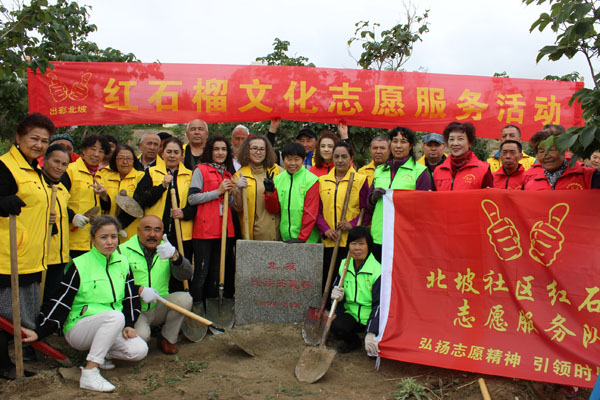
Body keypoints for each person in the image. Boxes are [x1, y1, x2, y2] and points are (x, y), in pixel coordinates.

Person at [22, 216, 148, 392]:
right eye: (103, 237)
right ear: (93, 239)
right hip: (80, 328)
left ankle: (100, 354)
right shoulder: (80, 265)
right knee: (115, 317)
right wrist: (39, 331)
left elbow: (130, 298)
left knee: (139, 350)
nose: (110, 242)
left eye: (113, 236)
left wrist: (128, 324)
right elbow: (61, 300)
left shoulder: (122, 263)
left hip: (111, 325)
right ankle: (90, 372)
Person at [0, 113, 55, 377]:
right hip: (8, 254)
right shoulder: (5, 166)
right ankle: (4, 365)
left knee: (22, 312)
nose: (39, 145)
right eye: (34, 138)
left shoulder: (35, 169)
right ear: (18, 137)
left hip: (32, 255)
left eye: (45, 141)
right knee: (5, 315)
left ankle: (19, 358)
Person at [120, 216, 193, 355]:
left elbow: (186, 274)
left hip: (160, 305)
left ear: (162, 233)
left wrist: (176, 257)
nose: (152, 234)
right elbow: (114, 285)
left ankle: (167, 338)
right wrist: (138, 290)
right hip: (136, 310)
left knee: (185, 299)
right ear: (138, 231)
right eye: (147, 229)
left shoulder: (166, 249)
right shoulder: (123, 251)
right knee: (141, 338)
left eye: (157, 230)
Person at [138, 137, 195, 291]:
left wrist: (184, 213)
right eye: (168, 152)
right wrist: (162, 186)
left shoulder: (190, 175)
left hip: (182, 233)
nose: (172, 155)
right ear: (161, 154)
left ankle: (179, 300)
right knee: (157, 269)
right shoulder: (151, 172)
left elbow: (195, 205)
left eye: (176, 152)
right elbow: (141, 199)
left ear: (181, 155)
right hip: (156, 232)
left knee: (178, 267)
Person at [369, 127, 431, 261]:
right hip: (379, 235)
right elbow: (368, 204)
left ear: (411, 146)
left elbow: (424, 208)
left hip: (404, 237)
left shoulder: (420, 172)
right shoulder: (379, 170)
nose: (398, 146)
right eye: (394, 141)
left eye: (403, 141)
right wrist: (373, 198)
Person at [188, 136, 236, 303]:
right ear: (210, 151)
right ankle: (196, 307)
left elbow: (229, 203)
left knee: (217, 272)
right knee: (202, 272)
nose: (220, 152)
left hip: (224, 229)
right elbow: (192, 198)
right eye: (217, 149)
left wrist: (233, 192)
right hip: (204, 230)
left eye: (224, 149)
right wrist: (218, 191)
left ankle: (212, 307)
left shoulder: (228, 173)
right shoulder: (200, 170)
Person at [317, 142, 370, 290]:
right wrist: (325, 229)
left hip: (350, 241)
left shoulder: (360, 180)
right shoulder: (322, 181)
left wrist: (352, 224)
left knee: (346, 281)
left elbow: (366, 210)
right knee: (328, 278)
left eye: (344, 157)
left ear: (351, 158)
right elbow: (318, 211)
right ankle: (328, 310)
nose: (340, 160)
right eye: (337, 157)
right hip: (329, 240)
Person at [329, 226, 381, 355]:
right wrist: (338, 296)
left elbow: (379, 304)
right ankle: (354, 342)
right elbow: (337, 288)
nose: (357, 248)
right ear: (348, 246)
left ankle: (372, 337)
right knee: (337, 327)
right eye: (353, 244)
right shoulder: (344, 266)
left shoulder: (377, 270)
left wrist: (371, 331)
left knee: (374, 354)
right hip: (352, 314)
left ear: (369, 246)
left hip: (371, 317)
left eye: (361, 244)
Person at [62, 134, 111, 258]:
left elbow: (106, 206)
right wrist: (72, 217)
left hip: (94, 240)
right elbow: (58, 200)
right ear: (84, 150)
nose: (96, 154)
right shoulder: (70, 171)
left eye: (101, 151)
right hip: (72, 239)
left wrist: (104, 196)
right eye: (93, 149)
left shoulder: (101, 176)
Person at [265, 142, 320, 243]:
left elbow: (311, 212)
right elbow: (274, 209)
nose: (292, 163)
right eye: (289, 159)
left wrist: (302, 238)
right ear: (283, 160)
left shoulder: (311, 180)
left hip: (307, 240)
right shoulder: (278, 179)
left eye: (296, 159)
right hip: (285, 238)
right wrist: (269, 192)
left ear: (303, 160)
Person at [232, 135, 282, 241]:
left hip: (278, 231)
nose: (258, 152)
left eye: (262, 149)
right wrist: (238, 189)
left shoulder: (278, 171)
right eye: (254, 148)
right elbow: (238, 208)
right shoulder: (239, 176)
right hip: (253, 233)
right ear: (247, 150)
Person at [41, 144, 71, 304]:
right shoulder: (37, 185)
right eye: (56, 162)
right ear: (45, 160)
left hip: (60, 255)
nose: (59, 167)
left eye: (64, 164)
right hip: (41, 255)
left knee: (53, 298)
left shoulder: (62, 189)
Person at [96, 144, 146, 239]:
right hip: (107, 231)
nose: (125, 162)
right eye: (121, 158)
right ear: (115, 160)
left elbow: (141, 204)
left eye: (128, 158)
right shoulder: (104, 175)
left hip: (132, 232)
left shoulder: (141, 177)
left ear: (133, 160)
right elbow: (103, 205)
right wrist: (104, 197)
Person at [523, 130, 600, 190]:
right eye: (541, 151)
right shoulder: (531, 183)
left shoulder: (589, 176)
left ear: (563, 151)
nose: (546, 156)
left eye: (551, 150)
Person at [433, 122, 493, 191]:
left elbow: (489, 199)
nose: (455, 143)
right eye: (451, 139)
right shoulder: (438, 170)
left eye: (460, 139)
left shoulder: (483, 169)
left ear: (469, 142)